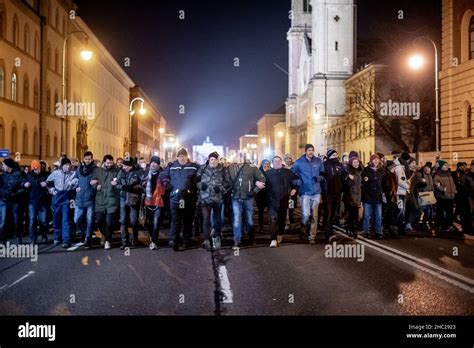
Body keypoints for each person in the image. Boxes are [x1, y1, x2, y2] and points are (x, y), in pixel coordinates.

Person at [159, 148, 199, 251]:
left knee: (187, 220)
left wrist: (194, 185)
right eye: (180, 156)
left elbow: (201, 176)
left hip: (188, 198)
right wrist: (167, 184)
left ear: (187, 157)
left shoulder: (194, 167)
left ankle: (186, 240)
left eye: (183, 156)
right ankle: (174, 240)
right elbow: (162, 176)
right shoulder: (172, 167)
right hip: (175, 198)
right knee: (175, 220)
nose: (182, 158)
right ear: (177, 157)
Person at [228, 156, 266, 249]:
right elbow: (226, 180)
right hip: (235, 197)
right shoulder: (230, 168)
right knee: (237, 219)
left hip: (248, 197)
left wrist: (254, 191)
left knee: (249, 220)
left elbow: (262, 179)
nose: (239, 159)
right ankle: (237, 240)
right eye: (237, 157)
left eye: (241, 157)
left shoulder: (252, 167)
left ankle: (252, 238)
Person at [195, 152, 231, 251]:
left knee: (218, 220)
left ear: (218, 160)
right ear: (209, 160)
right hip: (205, 198)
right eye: (211, 159)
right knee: (206, 219)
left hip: (217, 199)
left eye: (215, 159)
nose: (213, 161)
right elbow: (196, 180)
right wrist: (200, 185)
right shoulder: (202, 168)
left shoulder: (223, 169)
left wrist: (220, 188)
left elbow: (228, 183)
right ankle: (206, 240)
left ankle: (216, 236)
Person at [291, 144, 325, 244]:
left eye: (312, 150)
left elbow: (323, 173)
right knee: (306, 214)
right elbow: (292, 175)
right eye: (309, 150)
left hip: (316, 192)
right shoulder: (298, 162)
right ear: (306, 151)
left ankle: (312, 236)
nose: (311, 152)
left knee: (315, 216)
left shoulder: (318, 161)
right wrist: (298, 183)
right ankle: (302, 230)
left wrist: (319, 178)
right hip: (305, 192)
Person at [264, 156, 299, 247]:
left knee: (282, 219)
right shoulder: (267, 174)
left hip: (284, 199)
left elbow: (296, 181)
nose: (277, 162)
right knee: (273, 219)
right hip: (272, 201)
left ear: (281, 162)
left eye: (279, 161)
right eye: (275, 161)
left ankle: (279, 233)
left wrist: (295, 189)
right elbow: (261, 186)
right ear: (272, 163)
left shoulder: (287, 172)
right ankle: (273, 239)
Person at [46, 157, 78, 248]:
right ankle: (57, 237)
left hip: (66, 198)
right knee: (56, 219)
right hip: (56, 198)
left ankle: (66, 240)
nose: (68, 166)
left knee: (66, 220)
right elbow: (47, 183)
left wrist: (73, 184)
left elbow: (77, 183)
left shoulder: (73, 174)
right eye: (66, 165)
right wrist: (52, 191)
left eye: (69, 165)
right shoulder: (55, 173)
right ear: (62, 166)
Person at [114, 158, 143, 249]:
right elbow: (116, 183)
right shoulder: (121, 172)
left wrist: (132, 188)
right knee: (123, 221)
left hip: (133, 198)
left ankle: (135, 239)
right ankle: (124, 242)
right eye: (123, 165)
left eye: (126, 165)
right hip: (123, 197)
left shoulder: (138, 172)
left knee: (134, 221)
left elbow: (142, 185)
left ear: (131, 166)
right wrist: (122, 187)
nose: (124, 167)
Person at [94, 155, 120, 250]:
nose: (109, 165)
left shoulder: (116, 171)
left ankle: (108, 240)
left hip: (111, 199)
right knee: (100, 221)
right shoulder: (98, 171)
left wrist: (117, 183)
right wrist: (96, 186)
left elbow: (119, 180)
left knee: (109, 222)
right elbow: (93, 180)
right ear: (104, 162)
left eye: (111, 163)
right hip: (100, 199)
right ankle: (105, 234)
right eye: (108, 163)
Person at [74, 151, 98, 249]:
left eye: (89, 159)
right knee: (76, 220)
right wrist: (75, 186)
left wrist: (96, 183)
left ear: (92, 159)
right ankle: (86, 233)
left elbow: (98, 181)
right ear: (83, 159)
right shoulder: (79, 168)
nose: (87, 161)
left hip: (90, 198)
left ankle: (88, 239)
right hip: (79, 198)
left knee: (89, 220)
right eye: (86, 159)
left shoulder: (95, 169)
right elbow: (74, 180)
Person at [23, 160, 50, 245]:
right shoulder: (29, 175)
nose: (37, 171)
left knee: (43, 221)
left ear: (40, 167)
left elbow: (53, 182)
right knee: (32, 221)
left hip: (43, 201)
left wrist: (46, 183)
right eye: (35, 169)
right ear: (32, 169)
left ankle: (44, 235)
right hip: (32, 201)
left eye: (38, 169)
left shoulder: (46, 174)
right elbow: (23, 182)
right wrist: (25, 183)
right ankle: (33, 239)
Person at [0, 158, 25, 245]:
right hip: (4, 201)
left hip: (15, 202)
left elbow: (23, 187)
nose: (2, 166)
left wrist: (15, 193)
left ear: (8, 166)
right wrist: (2, 194)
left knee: (16, 221)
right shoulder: (2, 176)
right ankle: (3, 240)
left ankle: (18, 237)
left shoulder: (18, 174)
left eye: (3, 165)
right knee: (3, 222)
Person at [322, 149, 346, 242]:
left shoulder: (340, 165)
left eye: (336, 154)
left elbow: (344, 176)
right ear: (329, 156)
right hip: (328, 193)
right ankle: (329, 233)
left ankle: (328, 229)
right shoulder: (325, 165)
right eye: (333, 155)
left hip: (337, 193)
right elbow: (321, 177)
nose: (335, 156)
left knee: (332, 214)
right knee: (329, 213)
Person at [144, 156, 165, 250]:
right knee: (148, 222)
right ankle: (152, 236)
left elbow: (166, 186)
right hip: (148, 201)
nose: (153, 164)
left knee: (156, 222)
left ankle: (154, 242)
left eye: (155, 163)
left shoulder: (162, 175)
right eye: (152, 162)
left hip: (158, 202)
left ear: (158, 165)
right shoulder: (146, 174)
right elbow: (141, 183)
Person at [361, 154, 385, 239]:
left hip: (378, 196)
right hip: (368, 195)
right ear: (371, 161)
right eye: (374, 159)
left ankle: (378, 231)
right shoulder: (366, 170)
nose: (376, 161)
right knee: (367, 215)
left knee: (378, 215)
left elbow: (384, 182)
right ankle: (366, 231)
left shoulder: (382, 170)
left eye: (377, 159)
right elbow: (363, 181)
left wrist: (384, 193)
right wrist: (365, 179)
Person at [433, 160, 457, 232]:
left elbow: (452, 183)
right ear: (441, 166)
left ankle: (448, 225)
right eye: (445, 165)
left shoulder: (449, 174)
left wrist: (454, 190)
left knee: (450, 212)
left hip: (450, 196)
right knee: (440, 212)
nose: (447, 166)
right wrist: (442, 189)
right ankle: (439, 225)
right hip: (442, 197)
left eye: (447, 165)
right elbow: (436, 184)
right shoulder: (437, 175)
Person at [344, 154, 363, 238]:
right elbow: (346, 184)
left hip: (358, 195)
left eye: (357, 162)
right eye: (354, 162)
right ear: (351, 163)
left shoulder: (360, 171)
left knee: (356, 214)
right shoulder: (348, 172)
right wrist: (349, 178)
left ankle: (352, 227)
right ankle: (351, 229)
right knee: (351, 213)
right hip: (350, 195)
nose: (356, 164)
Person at [416, 162, 436, 235]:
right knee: (421, 210)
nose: (428, 169)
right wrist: (421, 181)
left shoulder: (430, 176)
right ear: (424, 168)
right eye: (426, 168)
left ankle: (424, 223)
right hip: (422, 194)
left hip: (429, 195)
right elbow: (418, 184)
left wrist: (432, 191)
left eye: (429, 168)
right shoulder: (420, 175)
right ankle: (417, 223)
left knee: (428, 211)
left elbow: (432, 185)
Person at [382, 160, 399, 238]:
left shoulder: (393, 175)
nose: (395, 168)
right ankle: (387, 227)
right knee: (389, 212)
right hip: (389, 196)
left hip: (392, 196)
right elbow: (386, 187)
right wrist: (385, 195)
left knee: (392, 212)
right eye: (394, 166)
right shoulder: (388, 176)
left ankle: (388, 227)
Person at [452, 162, 470, 234]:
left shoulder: (465, 174)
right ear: (459, 166)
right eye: (463, 166)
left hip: (464, 194)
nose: (464, 167)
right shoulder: (455, 173)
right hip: (457, 193)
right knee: (460, 208)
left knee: (460, 208)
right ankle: (458, 220)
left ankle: (455, 218)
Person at [256, 159, 271, 233]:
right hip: (260, 194)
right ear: (262, 164)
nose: (266, 165)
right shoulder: (258, 172)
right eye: (265, 164)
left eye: (268, 163)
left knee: (270, 211)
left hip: (269, 194)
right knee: (261, 211)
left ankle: (271, 225)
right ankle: (261, 225)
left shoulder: (272, 171)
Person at [462, 160, 474, 235]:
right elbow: (462, 185)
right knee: (470, 211)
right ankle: (469, 228)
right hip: (469, 196)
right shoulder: (466, 175)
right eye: (473, 166)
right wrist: (468, 192)